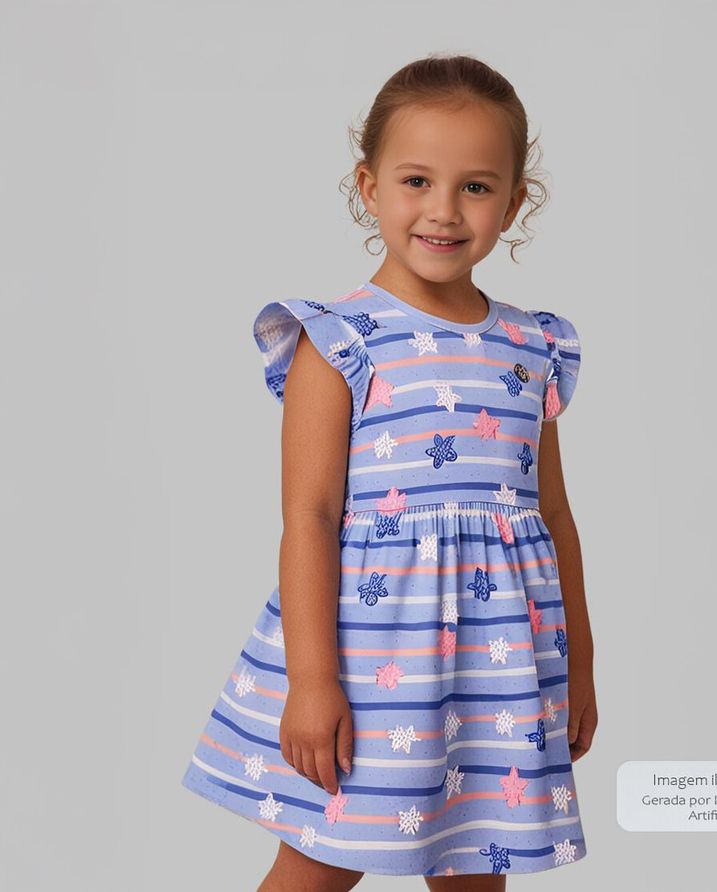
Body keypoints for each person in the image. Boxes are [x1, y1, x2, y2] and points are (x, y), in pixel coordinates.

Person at [181, 52, 597, 891]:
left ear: (514, 202)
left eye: (475, 187)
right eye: (416, 181)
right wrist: (311, 682)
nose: (443, 210)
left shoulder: (531, 347)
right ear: (369, 188)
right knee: (318, 868)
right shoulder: (340, 341)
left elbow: (551, 516)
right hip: (374, 668)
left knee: (478, 863)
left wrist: (579, 664)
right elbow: (309, 517)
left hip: (499, 670)